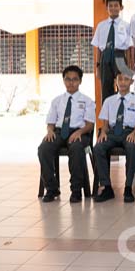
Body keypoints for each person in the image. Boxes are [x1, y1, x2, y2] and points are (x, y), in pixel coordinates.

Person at [38, 65, 95, 203]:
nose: (71, 82)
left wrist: (79, 132)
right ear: (63, 80)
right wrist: (50, 131)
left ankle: (76, 190)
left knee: (76, 148)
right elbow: (51, 122)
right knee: (44, 148)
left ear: (80, 81)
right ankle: (51, 188)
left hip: (80, 132)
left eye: (75, 79)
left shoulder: (87, 101)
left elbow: (89, 125)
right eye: (68, 79)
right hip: (58, 132)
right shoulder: (57, 101)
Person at [93, 72, 135, 203]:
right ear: (115, 82)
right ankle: (106, 187)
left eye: (126, 79)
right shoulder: (109, 101)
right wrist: (103, 133)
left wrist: (134, 134)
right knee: (98, 148)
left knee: (131, 148)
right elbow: (105, 124)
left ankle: (128, 187)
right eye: (120, 79)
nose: (123, 82)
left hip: (129, 132)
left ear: (131, 82)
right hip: (111, 133)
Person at [91, 0, 133, 102]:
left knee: (123, 86)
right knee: (106, 87)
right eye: (110, 6)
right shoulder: (101, 26)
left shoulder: (126, 26)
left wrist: (129, 66)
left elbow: (129, 48)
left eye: (116, 5)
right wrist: (97, 66)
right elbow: (98, 48)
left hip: (120, 56)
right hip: (105, 56)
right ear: (106, 8)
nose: (113, 8)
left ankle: (122, 108)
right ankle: (107, 111)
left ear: (121, 7)